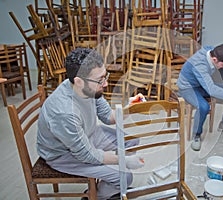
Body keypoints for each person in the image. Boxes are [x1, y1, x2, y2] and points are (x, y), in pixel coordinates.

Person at [36, 47, 144, 200]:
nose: (105, 84)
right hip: (63, 153)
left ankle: (107, 188)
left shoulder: (88, 87)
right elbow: (86, 154)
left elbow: (108, 117)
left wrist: (130, 108)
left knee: (132, 141)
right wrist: (123, 160)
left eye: (105, 76)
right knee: (125, 176)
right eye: (100, 80)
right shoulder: (64, 112)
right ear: (79, 81)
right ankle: (93, 196)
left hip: (89, 134)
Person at [177, 43, 223, 151]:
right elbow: (211, 90)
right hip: (187, 88)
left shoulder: (213, 50)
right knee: (204, 107)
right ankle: (196, 135)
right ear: (215, 59)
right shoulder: (199, 66)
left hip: (200, 84)